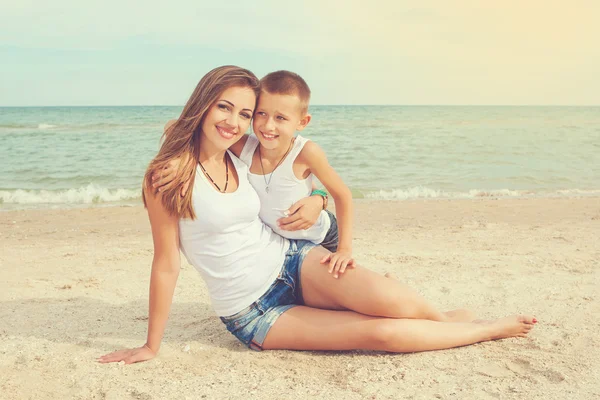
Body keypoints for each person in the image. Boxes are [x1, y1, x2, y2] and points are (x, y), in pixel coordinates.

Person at [98, 65, 536, 365]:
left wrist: (320, 199)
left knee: (395, 302)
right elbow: (166, 264)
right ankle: (487, 330)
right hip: (253, 311)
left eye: (245, 113)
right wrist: (151, 345)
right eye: (224, 107)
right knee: (379, 335)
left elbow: (295, 161)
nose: (235, 121)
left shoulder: (241, 151)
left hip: (293, 259)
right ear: (204, 104)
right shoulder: (167, 177)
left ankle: (443, 322)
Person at [153, 70, 354, 277]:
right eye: (261, 114)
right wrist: (185, 157)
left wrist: (344, 249)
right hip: (284, 245)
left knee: (344, 281)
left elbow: (343, 195)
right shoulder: (244, 148)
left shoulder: (306, 153)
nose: (268, 126)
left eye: (281, 118)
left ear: (302, 122)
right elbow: (179, 126)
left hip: (321, 235)